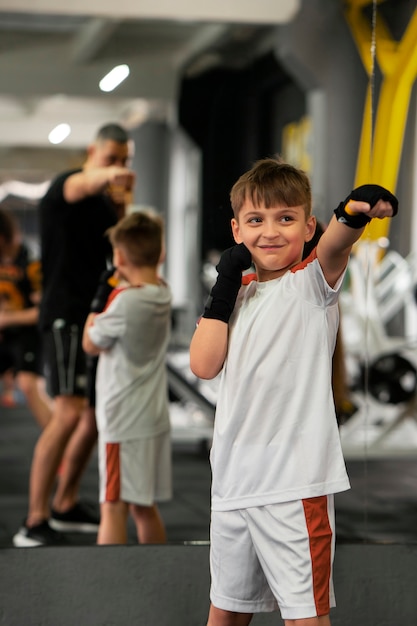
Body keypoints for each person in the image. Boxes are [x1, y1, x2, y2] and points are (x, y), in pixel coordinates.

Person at [189, 157, 398, 626]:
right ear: (236, 228)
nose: (270, 231)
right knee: (225, 615)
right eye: (255, 220)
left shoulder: (310, 285)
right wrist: (226, 279)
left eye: (286, 218)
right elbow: (204, 365)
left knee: (305, 619)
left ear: (308, 226)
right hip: (232, 483)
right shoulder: (236, 294)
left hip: (292, 487)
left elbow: (337, 245)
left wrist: (353, 211)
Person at [13, 123, 135, 547]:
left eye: (125, 160)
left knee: (93, 419)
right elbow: (85, 181)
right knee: (67, 413)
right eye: (111, 158)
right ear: (92, 152)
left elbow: (119, 245)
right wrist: (107, 176)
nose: (118, 167)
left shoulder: (103, 202)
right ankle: (34, 520)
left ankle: (64, 504)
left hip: (93, 315)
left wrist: (120, 203)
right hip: (64, 313)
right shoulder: (67, 186)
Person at [82, 210, 172, 545]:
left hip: (122, 420)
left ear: (118, 256)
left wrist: (98, 299)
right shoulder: (163, 292)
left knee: (113, 507)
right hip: (151, 417)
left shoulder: (122, 301)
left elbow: (89, 342)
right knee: (143, 506)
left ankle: (108, 589)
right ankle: (159, 577)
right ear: (160, 254)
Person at [0, 207, 52, 427]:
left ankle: (61, 446)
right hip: (6, 334)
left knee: (29, 385)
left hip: (30, 334)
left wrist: (8, 319)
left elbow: (46, 311)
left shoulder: (32, 263)